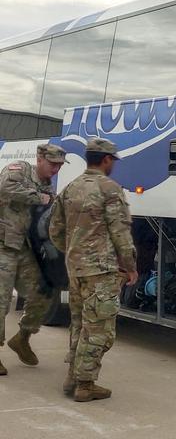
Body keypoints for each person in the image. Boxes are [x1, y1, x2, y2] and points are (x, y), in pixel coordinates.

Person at [49, 138, 138, 402]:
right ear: (107, 159)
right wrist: (130, 266)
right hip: (101, 271)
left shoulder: (70, 187)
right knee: (99, 329)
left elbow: (55, 229)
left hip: (76, 269)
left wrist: (74, 252)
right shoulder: (109, 188)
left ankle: (72, 377)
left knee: (78, 324)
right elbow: (120, 231)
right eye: (113, 161)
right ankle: (85, 385)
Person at [0, 143, 67, 374]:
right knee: (1, 299)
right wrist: (38, 197)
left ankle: (23, 336)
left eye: (59, 166)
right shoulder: (18, 170)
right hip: (3, 245)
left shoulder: (48, 184)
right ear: (40, 159)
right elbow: (4, 188)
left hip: (26, 248)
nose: (56, 169)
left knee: (44, 291)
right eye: (52, 164)